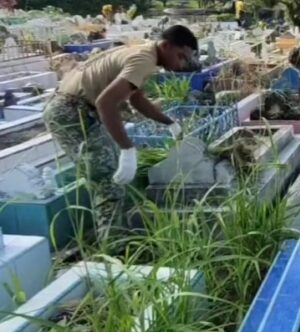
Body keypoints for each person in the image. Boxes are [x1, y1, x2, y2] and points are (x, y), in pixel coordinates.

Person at [43, 25, 198, 232]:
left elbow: (137, 99)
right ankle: (114, 251)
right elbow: (105, 102)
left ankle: (118, 235)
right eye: (181, 57)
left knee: (113, 174)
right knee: (108, 182)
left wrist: (169, 122)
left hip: (74, 108)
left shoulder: (144, 54)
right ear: (166, 45)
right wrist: (127, 148)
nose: (181, 65)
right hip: (71, 112)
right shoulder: (144, 60)